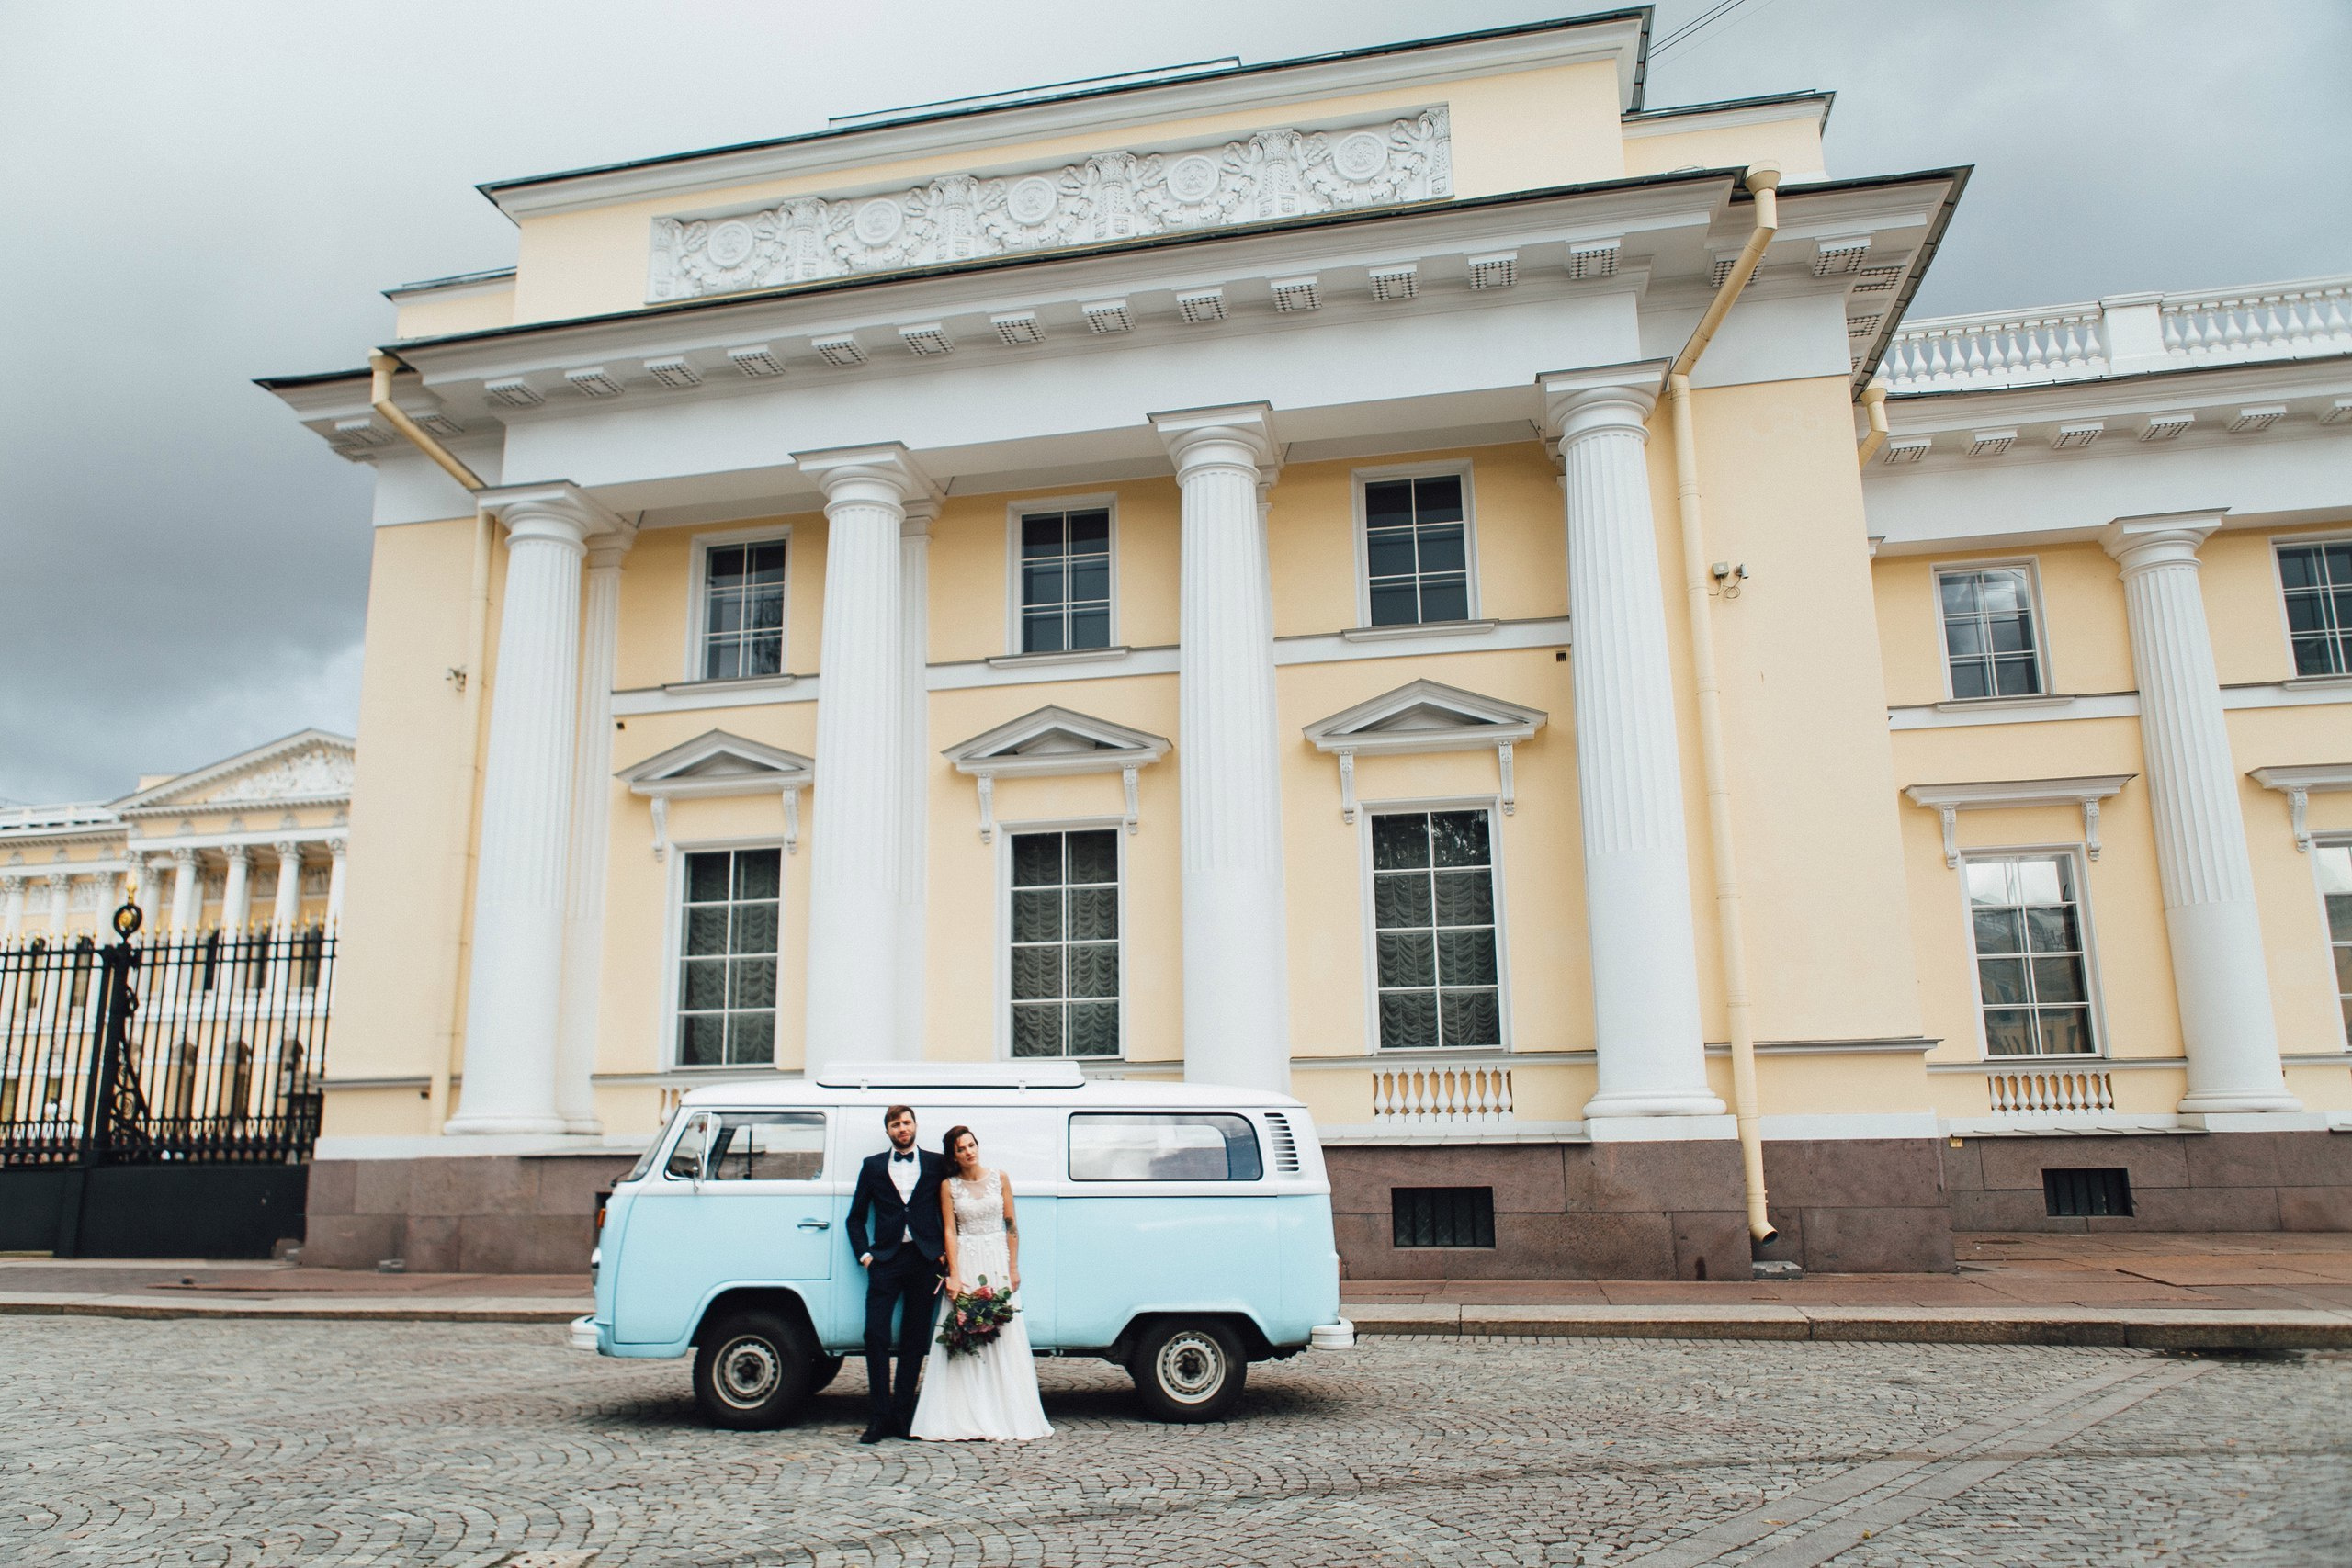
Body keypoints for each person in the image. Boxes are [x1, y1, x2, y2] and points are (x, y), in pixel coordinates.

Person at [908, 1125, 1053, 1442]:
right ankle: (965, 1411)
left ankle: (1006, 1410)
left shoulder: (1000, 1178)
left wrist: (1013, 1267)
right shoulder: (949, 1186)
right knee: (964, 1332)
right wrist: (954, 1274)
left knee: (1002, 1330)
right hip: (968, 1259)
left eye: (971, 1145)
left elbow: (1011, 1225)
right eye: (961, 1149)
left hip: (997, 1260)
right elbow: (950, 1231)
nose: (968, 1152)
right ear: (954, 1156)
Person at [845, 1103, 947, 1444]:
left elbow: (950, 1208)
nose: (902, 1129)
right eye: (895, 1124)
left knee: (914, 1340)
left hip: (924, 1260)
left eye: (906, 1122)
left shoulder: (936, 1163)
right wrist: (865, 1256)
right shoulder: (872, 1166)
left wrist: (944, 1252)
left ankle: (903, 1417)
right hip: (885, 1261)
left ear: (915, 1125)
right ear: (888, 1130)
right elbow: (855, 1217)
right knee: (875, 1335)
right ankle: (879, 1417)